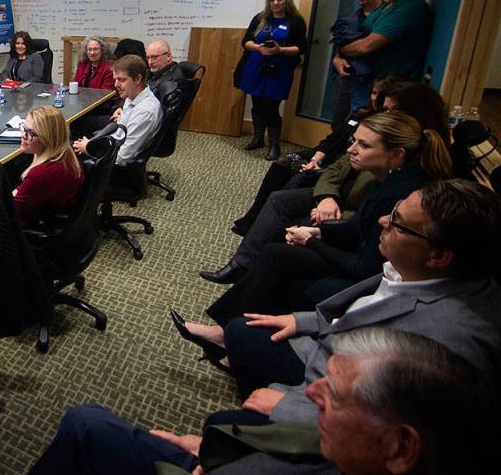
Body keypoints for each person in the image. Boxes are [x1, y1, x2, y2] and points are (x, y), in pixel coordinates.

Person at [178, 180, 501, 425]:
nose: (383, 223)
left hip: (331, 389)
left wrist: (287, 408)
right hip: (332, 347)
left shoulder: (449, 346)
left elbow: (382, 429)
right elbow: (368, 307)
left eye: (398, 223)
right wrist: (304, 321)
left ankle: (264, 425)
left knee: (220, 426)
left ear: (439, 256)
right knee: (240, 330)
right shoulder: (417, 268)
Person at [29, 328, 486, 474]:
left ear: (401, 448)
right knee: (86, 424)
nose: (310, 393)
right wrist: (210, 450)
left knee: (85, 425)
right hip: (224, 458)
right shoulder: (360, 452)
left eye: (336, 394)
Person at [179, 111, 452, 345]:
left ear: (396, 155)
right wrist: (318, 232)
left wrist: (311, 242)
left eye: (363, 145)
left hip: (367, 278)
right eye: (354, 141)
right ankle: (228, 333)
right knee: (279, 250)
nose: (351, 149)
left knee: (281, 257)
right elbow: (357, 226)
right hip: (357, 256)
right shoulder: (388, 177)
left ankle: (228, 335)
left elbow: (364, 269)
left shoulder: (401, 196)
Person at [201, 73, 406, 284]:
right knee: (281, 179)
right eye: (373, 94)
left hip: (344, 205)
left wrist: (331, 206)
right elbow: (335, 153)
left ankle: (257, 253)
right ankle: (242, 259)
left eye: (385, 104)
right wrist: (325, 189)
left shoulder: (388, 152)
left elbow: (363, 213)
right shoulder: (362, 118)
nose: (375, 100)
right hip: (330, 179)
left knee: (294, 189)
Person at [338, 0, 432, 103]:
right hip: (367, 81)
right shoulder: (386, 7)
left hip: (391, 90)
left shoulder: (411, 8)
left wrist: (341, 48)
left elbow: (364, 46)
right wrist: (339, 56)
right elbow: (355, 36)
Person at [238, 0, 308, 161]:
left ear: (287, 1)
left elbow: (301, 48)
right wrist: (258, 48)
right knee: (257, 104)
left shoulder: (295, 21)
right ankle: (258, 138)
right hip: (256, 66)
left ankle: (274, 145)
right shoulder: (261, 18)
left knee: (271, 107)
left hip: (279, 69)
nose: (276, 3)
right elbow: (245, 41)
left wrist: (280, 50)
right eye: (272, 0)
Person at [73, 55, 160, 183]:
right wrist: (94, 143)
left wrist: (90, 148)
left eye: (121, 80)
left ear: (138, 79)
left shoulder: (144, 112)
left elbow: (123, 157)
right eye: (115, 79)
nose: (116, 85)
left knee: (64, 158)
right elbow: (120, 133)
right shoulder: (133, 96)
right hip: (112, 144)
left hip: (115, 167)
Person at [12, 106, 84, 226]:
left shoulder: (41, 175)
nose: (23, 135)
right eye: (24, 128)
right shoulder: (67, 156)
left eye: (30, 133)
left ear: (47, 138)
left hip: (35, 224)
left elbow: (12, 212)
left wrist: (14, 193)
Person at [329, 0, 384, 130]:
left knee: (363, 119)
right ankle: (331, 149)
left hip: (373, 78)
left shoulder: (386, 17)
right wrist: (337, 58)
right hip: (347, 76)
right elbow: (339, 45)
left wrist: (345, 50)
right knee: (340, 118)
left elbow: (366, 47)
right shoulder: (350, 20)